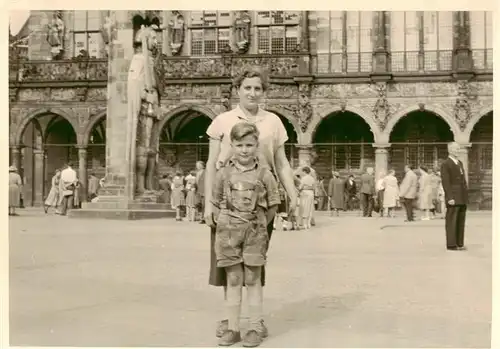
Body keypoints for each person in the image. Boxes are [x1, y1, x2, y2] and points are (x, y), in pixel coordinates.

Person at [204, 67, 297, 340]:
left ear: (264, 91)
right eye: (247, 88)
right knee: (228, 265)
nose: (252, 93)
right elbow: (211, 164)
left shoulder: (273, 122)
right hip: (226, 200)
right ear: (237, 90)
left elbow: (281, 163)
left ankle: (254, 322)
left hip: (261, 201)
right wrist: (209, 205)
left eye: (258, 88)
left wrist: (291, 194)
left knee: (255, 261)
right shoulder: (222, 120)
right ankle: (231, 320)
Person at [212, 122, 280, 347]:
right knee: (233, 279)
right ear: (232, 145)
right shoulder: (223, 173)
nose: (244, 150)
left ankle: (254, 327)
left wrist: (257, 226)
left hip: (254, 234)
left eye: (249, 145)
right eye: (239, 145)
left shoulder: (265, 174)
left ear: (256, 145)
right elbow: (215, 203)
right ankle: (233, 328)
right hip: (228, 234)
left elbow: (272, 206)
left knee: (253, 279)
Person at [440, 142, 468, 251]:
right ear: (450, 150)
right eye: (456, 149)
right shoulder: (446, 164)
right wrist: (450, 197)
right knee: (452, 220)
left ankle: (459, 243)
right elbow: (446, 182)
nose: (458, 150)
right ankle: (451, 244)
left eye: (459, 148)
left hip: (461, 195)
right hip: (453, 196)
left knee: (460, 220)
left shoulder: (459, 163)